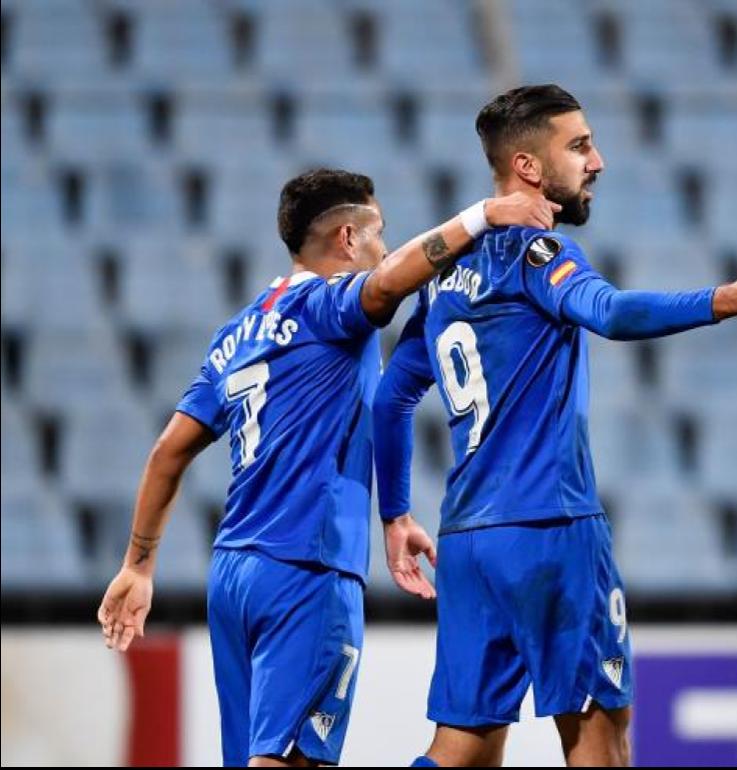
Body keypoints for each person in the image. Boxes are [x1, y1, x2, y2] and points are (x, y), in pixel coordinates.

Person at [373, 84, 737, 767]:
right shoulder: (537, 255)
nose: (597, 161)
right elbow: (608, 312)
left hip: (467, 539)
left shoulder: (443, 275)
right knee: (600, 740)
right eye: (578, 147)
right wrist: (724, 299)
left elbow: (390, 400)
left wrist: (396, 514)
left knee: (463, 745)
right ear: (526, 167)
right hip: (550, 529)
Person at [96, 167, 558, 767]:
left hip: (235, 572)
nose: (384, 248)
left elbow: (168, 453)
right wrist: (483, 217)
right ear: (346, 239)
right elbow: (389, 284)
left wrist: (138, 565)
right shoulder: (326, 305)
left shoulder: (237, 332)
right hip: (306, 569)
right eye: (378, 233)